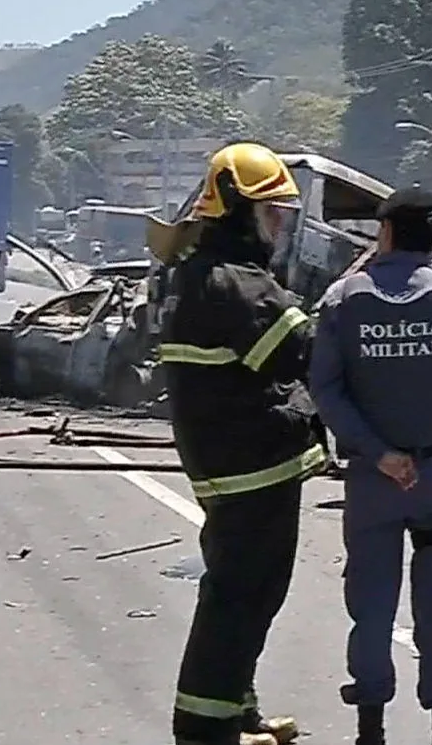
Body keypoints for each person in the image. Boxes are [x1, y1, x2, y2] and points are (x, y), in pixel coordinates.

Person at [308, 185, 432, 745]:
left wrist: (378, 453)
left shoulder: (344, 300)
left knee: (371, 605)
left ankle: (370, 726)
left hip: (373, 482)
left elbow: (325, 389)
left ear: (386, 233)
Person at [148, 142, 326, 745]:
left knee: (243, 591)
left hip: (226, 463)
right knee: (242, 596)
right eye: (273, 211)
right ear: (238, 209)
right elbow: (303, 352)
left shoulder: (196, 274)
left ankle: (234, 712)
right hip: (251, 465)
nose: (280, 225)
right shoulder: (234, 283)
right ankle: (204, 729)